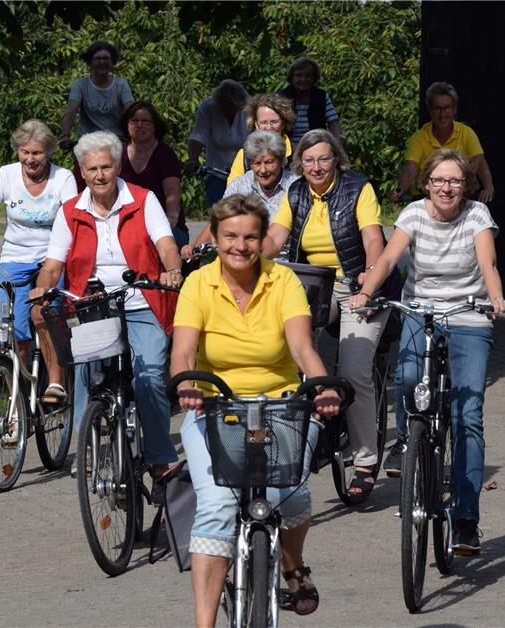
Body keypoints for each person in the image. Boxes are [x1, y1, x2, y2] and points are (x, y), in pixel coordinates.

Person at [171, 194, 341, 625]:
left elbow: (303, 347)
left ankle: (291, 563)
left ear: (264, 239)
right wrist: (188, 385)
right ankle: (204, 623)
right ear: (215, 235)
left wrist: (321, 389)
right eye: (230, 236)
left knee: (293, 492)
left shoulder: (282, 281)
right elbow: (184, 352)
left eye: (250, 237)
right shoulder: (198, 283)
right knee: (217, 504)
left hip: (281, 405)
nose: (240, 246)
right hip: (214, 405)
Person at [353, 148, 505, 554]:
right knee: (406, 381)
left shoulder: (477, 215)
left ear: (466, 185)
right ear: (426, 183)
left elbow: (488, 263)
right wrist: (367, 292)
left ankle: (466, 520)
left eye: (455, 180)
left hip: (469, 313)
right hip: (421, 311)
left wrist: (496, 299)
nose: (446, 187)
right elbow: (389, 257)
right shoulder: (413, 214)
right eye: (439, 180)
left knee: (468, 416)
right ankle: (411, 445)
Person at [29, 131, 181, 478]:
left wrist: (172, 270)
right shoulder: (70, 211)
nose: (99, 175)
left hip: (141, 299)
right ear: (82, 172)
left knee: (149, 379)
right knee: (86, 374)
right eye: (92, 168)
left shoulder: (143, 200)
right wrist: (43, 287)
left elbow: (166, 244)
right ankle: (88, 449)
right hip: (92, 304)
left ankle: (158, 459)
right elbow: (53, 265)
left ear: (118, 167)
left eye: (106, 167)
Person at [263, 128, 393, 500]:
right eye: (308, 160)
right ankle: (297, 434)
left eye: (323, 158)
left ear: (336, 159)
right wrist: (250, 258)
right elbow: (275, 237)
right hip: (312, 286)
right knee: (285, 354)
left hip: (357, 284)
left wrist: (369, 279)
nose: (316, 166)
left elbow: (372, 238)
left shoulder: (358, 188)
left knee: (354, 369)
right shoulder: (296, 192)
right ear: (299, 164)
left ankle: (366, 459)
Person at [0, 119, 77, 387]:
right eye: (25, 152)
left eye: (37, 153)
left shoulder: (63, 178)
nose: (30, 159)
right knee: (15, 329)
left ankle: (56, 382)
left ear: (49, 152)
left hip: (51, 258)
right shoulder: (5, 175)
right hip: (14, 257)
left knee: (46, 317)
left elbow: (74, 224)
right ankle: (16, 397)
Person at [182, 130, 298, 257]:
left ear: (281, 161)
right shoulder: (241, 184)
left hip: (286, 259)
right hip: (243, 257)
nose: (263, 170)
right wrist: (195, 248)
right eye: (257, 163)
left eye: (269, 162)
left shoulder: (296, 186)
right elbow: (220, 219)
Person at [391, 82, 495, 204]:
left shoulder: (466, 133)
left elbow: (479, 161)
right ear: (429, 110)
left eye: (446, 108)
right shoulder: (419, 137)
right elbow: (410, 168)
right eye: (437, 109)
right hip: (426, 198)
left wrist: (488, 188)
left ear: (454, 109)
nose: (442, 114)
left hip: (458, 198)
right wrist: (400, 190)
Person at [58, 41, 135, 190]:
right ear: (90, 62)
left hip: (116, 142)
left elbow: (131, 110)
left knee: (124, 185)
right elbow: (72, 110)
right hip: (88, 142)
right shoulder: (81, 85)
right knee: (81, 185)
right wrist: (65, 135)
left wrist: (135, 135)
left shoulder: (121, 85)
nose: (102, 62)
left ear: (112, 62)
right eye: (98, 59)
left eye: (106, 59)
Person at [119, 101, 187, 248]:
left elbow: (172, 192)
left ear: (155, 126)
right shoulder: (118, 153)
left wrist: (167, 227)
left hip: (162, 225)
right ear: (127, 124)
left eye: (145, 121)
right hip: (127, 226)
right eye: (134, 121)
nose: (139, 125)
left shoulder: (165, 153)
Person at [185, 80, 250, 206]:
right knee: (218, 208)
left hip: (246, 172)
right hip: (217, 171)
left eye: (233, 108)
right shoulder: (208, 108)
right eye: (225, 107)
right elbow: (198, 136)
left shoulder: (249, 110)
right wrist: (193, 159)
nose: (228, 111)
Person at [225, 93, 295, 185]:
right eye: (264, 122)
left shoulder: (297, 154)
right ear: (256, 125)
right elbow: (232, 191)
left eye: (274, 122)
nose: (269, 127)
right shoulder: (244, 156)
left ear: (284, 123)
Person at [279, 57, 343, 147]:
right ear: (292, 78)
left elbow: (333, 122)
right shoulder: (281, 97)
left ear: (314, 78)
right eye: (299, 75)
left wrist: (338, 142)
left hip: (316, 146)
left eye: (308, 75)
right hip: (288, 149)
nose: (303, 79)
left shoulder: (322, 96)